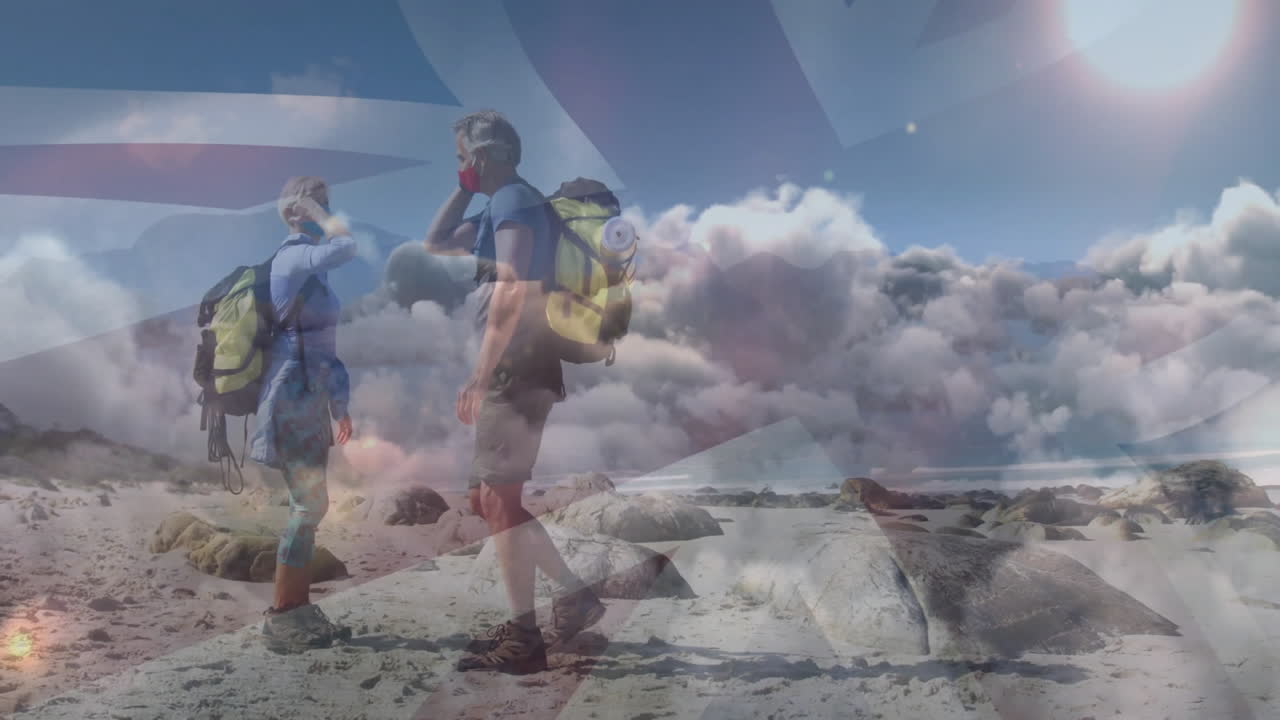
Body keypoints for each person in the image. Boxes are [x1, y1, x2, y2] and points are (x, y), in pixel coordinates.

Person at [425, 110, 605, 673]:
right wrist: (461, 188)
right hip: (513, 367)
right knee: (486, 500)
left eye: (462, 158)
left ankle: (525, 640)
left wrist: (481, 376)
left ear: (482, 156)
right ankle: (574, 595)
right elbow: (433, 243)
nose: (460, 168)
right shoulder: (495, 207)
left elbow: (513, 291)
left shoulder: (514, 202)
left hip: (516, 368)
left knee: (499, 502)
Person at [249, 176, 358, 654]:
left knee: (313, 507)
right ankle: (283, 618)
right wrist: (319, 212)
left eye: (327, 202)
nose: (325, 210)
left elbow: (324, 347)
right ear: (295, 212)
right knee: (307, 506)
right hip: (291, 395)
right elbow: (348, 244)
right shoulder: (293, 258)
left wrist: (340, 404)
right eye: (317, 203)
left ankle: (296, 612)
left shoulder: (312, 269)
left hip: (310, 396)